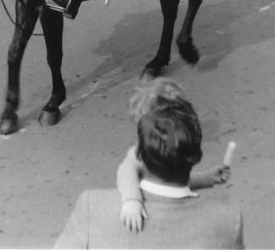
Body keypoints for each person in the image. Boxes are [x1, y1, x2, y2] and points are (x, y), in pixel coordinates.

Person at [54, 94, 244, 249]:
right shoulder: (227, 221)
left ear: (138, 153)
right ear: (196, 157)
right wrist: (207, 178)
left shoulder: (92, 208)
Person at [117, 78, 231, 233]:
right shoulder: (141, 152)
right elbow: (127, 169)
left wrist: (207, 178)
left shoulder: (159, 145)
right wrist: (131, 199)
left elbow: (171, 180)